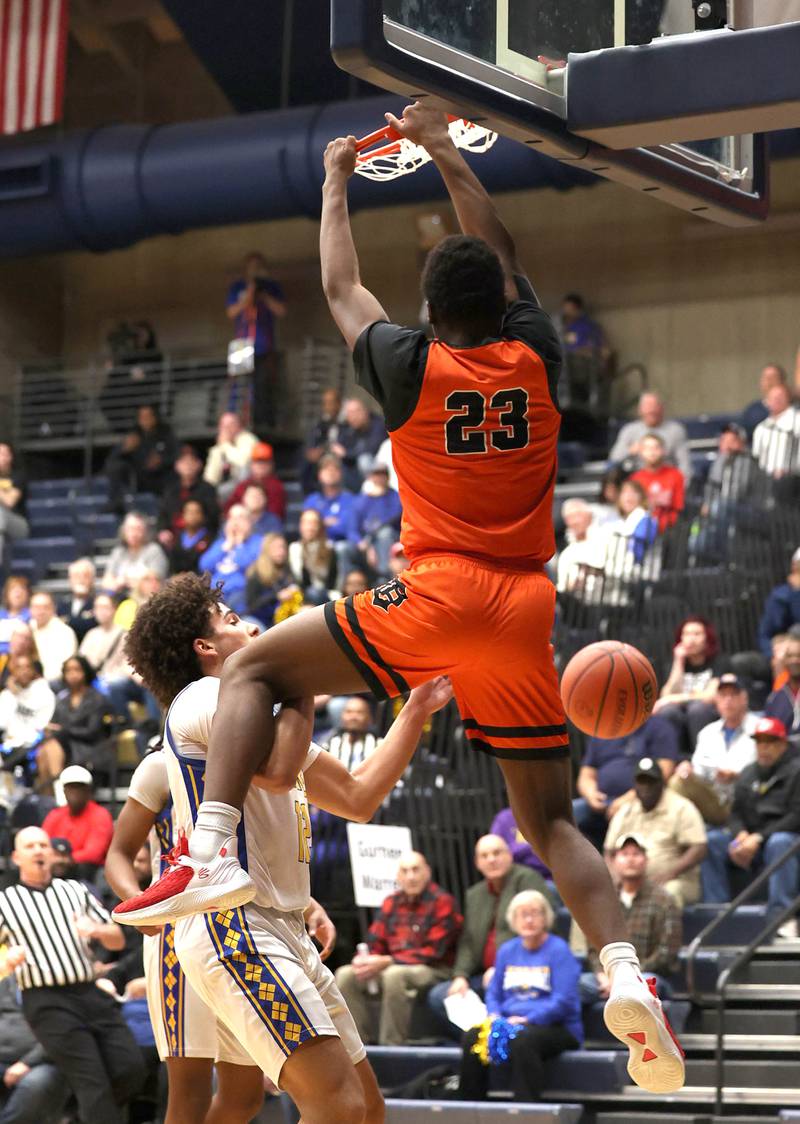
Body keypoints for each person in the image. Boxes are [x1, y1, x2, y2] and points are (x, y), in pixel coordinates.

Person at [118, 104, 685, 1094]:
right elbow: (496, 249)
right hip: (522, 610)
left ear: (428, 313)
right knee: (550, 820)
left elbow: (340, 283)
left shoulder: (406, 363)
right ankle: (624, 970)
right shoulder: (538, 357)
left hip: (433, 591)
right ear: (503, 300)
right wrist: (442, 155)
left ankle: (208, 849)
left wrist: (338, 174)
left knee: (254, 660)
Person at [112, 571, 455, 1123]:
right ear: (204, 647)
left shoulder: (266, 719)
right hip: (234, 926)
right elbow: (277, 772)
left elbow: (358, 796)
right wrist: (302, 675)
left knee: (366, 1109)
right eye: (229, 620)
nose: (248, 624)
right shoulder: (202, 697)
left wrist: (415, 710)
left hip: (281, 926)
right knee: (334, 1106)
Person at [104, 749, 272, 1124]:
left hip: (240, 933)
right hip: (177, 933)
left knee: (245, 1096)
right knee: (190, 1093)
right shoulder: (160, 765)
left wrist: (307, 903)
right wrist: (136, 900)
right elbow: (118, 852)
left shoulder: (252, 760)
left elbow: (259, 854)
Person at [0, 827, 145, 1123]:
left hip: (89, 991)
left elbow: (117, 939)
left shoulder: (75, 890)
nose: (39, 850)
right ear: (16, 857)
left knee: (131, 1067)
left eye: (43, 844)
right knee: (92, 1083)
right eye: (30, 846)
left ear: (52, 853)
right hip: (45, 1000)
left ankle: (82, 1115)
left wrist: (97, 930)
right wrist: (6, 960)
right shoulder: (5, 902)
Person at [458, 890, 582, 1103]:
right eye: (522, 914)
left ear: (546, 918)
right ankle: (471, 1107)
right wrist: (495, 1015)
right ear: (513, 920)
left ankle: (525, 1108)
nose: (529, 920)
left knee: (522, 1039)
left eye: (535, 913)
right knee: (472, 1036)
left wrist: (528, 1019)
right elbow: (494, 993)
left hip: (555, 1027)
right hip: (509, 1023)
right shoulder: (507, 950)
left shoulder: (559, 950)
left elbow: (564, 1000)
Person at [428, 835, 554, 1038]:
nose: (491, 859)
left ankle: (500, 1041)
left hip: (523, 971)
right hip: (484, 975)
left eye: (497, 853)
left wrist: (503, 967)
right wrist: (460, 976)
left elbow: (542, 927)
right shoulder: (474, 894)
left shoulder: (528, 880)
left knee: (496, 989)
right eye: (484, 856)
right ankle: (483, 1043)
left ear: (509, 855)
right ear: (478, 863)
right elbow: (468, 942)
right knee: (440, 996)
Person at [334, 851, 462, 1045]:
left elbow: (434, 951)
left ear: (427, 872)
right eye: (405, 871)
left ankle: (391, 1047)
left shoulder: (442, 902)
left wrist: (386, 961)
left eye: (416, 870)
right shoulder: (391, 902)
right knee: (345, 974)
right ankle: (357, 1048)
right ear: (398, 877)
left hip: (434, 968)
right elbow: (375, 942)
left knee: (394, 975)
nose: (411, 876)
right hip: (391, 964)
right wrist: (365, 960)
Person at [701, 717, 800, 939]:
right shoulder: (748, 774)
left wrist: (758, 838)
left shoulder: (796, 772)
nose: (764, 748)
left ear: (783, 744)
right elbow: (735, 814)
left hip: (784, 841)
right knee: (712, 841)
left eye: (770, 742)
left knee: (780, 842)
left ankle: (782, 918)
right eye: (760, 742)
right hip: (751, 840)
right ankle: (717, 914)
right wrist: (741, 835)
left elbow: (796, 816)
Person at [581, 835, 681, 1006]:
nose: (630, 859)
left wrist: (626, 978)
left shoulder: (664, 900)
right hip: (608, 978)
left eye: (636, 854)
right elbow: (593, 948)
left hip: (645, 975)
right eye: (625, 854)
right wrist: (603, 975)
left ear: (646, 860)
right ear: (613, 861)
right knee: (579, 984)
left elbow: (666, 953)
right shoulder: (605, 898)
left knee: (647, 983)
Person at [605, 758, 707, 908]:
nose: (646, 787)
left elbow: (699, 848)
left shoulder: (681, 807)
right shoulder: (626, 811)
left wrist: (670, 873)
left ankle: (662, 932)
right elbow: (609, 851)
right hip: (629, 881)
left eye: (651, 782)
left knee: (665, 894)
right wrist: (615, 876)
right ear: (635, 786)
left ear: (661, 783)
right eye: (641, 782)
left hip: (675, 881)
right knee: (594, 898)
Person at [574, 715, 679, 848]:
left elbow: (664, 772)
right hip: (601, 801)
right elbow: (586, 774)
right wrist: (591, 794)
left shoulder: (660, 727)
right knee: (568, 815)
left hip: (642, 800)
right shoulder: (602, 729)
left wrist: (628, 799)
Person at [669, 674, 759, 825]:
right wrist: (688, 770)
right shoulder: (707, 733)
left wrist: (736, 776)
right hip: (714, 798)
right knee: (678, 780)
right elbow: (699, 771)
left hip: (746, 800)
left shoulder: (760, 729)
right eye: (723, 695)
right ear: (716, 701)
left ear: (745, 698)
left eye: (733, 695)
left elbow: (766, 769)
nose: (728, 700)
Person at [226, 251, 287, 434]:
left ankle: (261, 422)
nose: (255, 269)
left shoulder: (271, 287)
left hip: (263, 344)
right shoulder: (238, 287)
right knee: (239, 384)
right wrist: (250, 294)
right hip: (242, 344)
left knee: (262, 385)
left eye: (258, 266)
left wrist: (263, 295)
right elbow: (231, 313)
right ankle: (235, 422)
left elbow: (281, 311)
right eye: (252, 266)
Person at [0, 970, 68, 1124]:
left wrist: (26, 1063)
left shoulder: (63, 985)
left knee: (34, 1085)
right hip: (3, 1057)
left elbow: (62, 1034)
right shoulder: (8, 982)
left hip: (44, 1062)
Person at [653, 616, 726, 754]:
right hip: (681, 715)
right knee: (668, 711)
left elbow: (710, 696)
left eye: (697, 634)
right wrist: (678, 661)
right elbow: (667, 694)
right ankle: (671, 760)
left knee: (697, 709)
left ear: (707, 639)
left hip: (707, 714)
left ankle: (703, 757)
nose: (691, 639)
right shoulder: (674, 665)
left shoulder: (718, 662)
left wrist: (673, 699)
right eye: (686, 634)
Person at [38, 655, 113, 777]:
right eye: (68, 670)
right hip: (64, 745)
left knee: (51, 747)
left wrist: (63, 730)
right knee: (44, 749)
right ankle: (50, 793)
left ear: (85, 671)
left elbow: (92, 732)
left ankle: (60, 789)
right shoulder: (62, 699)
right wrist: (49, 730)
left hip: (88, 747)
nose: (72, 674)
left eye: (77, 669)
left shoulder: (97, 698)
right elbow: (54, 724)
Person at [42, 765, 114, 880]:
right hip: (56, 868)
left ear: (88, 791)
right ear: (64, 791)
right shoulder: (56, 815)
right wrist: (56, 859)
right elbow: (43, 843)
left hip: (86, 872)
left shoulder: (100, 815)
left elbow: (93, 854)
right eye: (70, 787)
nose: (74, 792)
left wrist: (64, 859)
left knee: (84, 867)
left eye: (79, 788)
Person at [105, 404, 178, 513]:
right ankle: (115, 504)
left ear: (155, 417)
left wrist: (162, 460)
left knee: (174, 477)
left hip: (161, 478)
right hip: (139, 478)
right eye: (142, 417)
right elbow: (112, 459)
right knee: (116, 466)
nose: (146, 420)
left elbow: (177, 455)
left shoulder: (166, 433)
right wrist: (124, 449)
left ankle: (168, 511)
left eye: (148, 416)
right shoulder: (134, 435)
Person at [608, 392, 691, 479]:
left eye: (654, 406)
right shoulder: (629, 430)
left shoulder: (676, 430)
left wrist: (681, 487)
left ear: (662, 408)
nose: (651, 410)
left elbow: (684, 464)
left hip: (668, 481)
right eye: (647, 406)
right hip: (637, 482)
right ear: (639, 410)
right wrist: (631, 450)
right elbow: (614, 458)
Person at [199, 505, 263, 615]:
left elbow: (248, 565)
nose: (235, 523)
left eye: (240, 518)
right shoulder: (222, 543)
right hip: (215, 591)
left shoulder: (258, 542)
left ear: (250, 522)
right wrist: (227, 545)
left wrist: (239, 544)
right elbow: (204, 566)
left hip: (240, 593)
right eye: (232, 518)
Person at [156, 444, 220, 553]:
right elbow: (163, 515)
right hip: (174, 537)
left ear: (199, 464)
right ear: (177, 466)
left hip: (201, 535)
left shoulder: (207, 489)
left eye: (191, 462)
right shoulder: (171, 490)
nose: (188, 466)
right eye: (184, 462)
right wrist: (163, 531)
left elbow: (213, 517)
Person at [346, 462, 403, 578]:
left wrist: (380, 496)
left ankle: (385, 576)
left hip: (392, 540)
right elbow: (351, 529)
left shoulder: (396, 497)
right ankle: (346, 586)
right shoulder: (361, 500)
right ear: (371, 477)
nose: (380, 477)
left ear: (388, 476)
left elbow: (392, 518)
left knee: (384, 533)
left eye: (383, 473)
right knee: (343, 548)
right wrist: (361, 543)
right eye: (377, 474)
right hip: (366, 543)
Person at [0, 654, 55, 773]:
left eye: (27, 667)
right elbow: (2, 724)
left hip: (32, 746)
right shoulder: (7, 695)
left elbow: (43, 726)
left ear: (33, 670)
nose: (23, 671)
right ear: (12, 671)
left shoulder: (44, 693)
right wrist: (14, 695)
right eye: (19, 667)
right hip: (8, 745)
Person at [101, 512, 168, 596]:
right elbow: (106, 581)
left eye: (138, 529)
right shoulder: (118, 552)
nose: (134, 533)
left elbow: (153, 584)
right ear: (123, 530)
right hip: (120, 597)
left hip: (146, 599)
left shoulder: (154, 550)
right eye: (130, 528)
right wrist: (116, 584)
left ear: (145, 531)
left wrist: (125, 581)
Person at [630, 433, 685, 531]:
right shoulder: (635, 478)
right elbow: (632, 509)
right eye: (647, 448)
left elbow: (679, 507)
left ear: (663, 451)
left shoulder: (675, 475)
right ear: (641, 451)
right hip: (641, 529)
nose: (652, 452)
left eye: (656, 448)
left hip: (670, 530)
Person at [244, 533, 300, 627]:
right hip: (259, 619)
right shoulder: (256, 573)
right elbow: (252, 606)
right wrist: (276, 597)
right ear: (267, 550)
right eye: (276, 548)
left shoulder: (286, 569)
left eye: (283, 547)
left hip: (282, 619)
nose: (281, 551)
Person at [223, 441, 286, 522]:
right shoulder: (243, 485)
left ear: (271, 465)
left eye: (265, 462)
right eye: (257, 462)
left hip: (265, 527)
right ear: (252, 464)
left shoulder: (276, 487)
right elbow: (229, 509)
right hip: (241, 523)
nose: (261, 465)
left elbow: (276, 515)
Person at [333, 398, 387, 491]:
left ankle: (370, 493)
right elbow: (338, 447)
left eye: (357, 411)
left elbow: (371, 449)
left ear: (365, 411)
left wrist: (347, 454)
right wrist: (345, 455)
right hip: (355, 470)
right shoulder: (347, 428)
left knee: (364, 460)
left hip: (379, 468)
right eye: (349, 413)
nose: (354, 416)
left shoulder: (378, 424)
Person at [203, 411, 259, 497]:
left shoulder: (248, 439)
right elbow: (210, 478)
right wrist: (220, 449)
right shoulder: (219, 446)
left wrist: (225, 445)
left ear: (239, 426)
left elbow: (243, 463)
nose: (227, 428)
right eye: (223, 425)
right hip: (226, 487)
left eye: (231, 424)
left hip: (248, 485)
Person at [758, 549, 800, 660]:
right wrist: (773, 654)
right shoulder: (781, 595)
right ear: (795, 567)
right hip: (787, 654)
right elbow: (765, 635)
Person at [752, 383, 800, 479]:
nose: (776, 400)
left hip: (793, 479)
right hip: (766, 480)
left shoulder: (797, 421)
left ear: (788, 399)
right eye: (772, 398)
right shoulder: (761, 428)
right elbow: (757, 457)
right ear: (766, 401)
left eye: (780, 397)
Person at [489, 807, 551, 879]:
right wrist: (530, 847)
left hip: (549, 878)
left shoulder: (545, 814)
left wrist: (516, 849)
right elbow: (495, 849)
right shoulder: (504, 818)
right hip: (514, 878)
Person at [28, 592, 77, 682]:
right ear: (30, 610)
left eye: (45, 607)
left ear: (53, 609)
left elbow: (65, 666)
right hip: (29, 680)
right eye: (36, 607)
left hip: (55, 681)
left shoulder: (64, 632)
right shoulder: (27, 629)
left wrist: (41, 681)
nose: (41, 611)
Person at [289, 510, 338, 597]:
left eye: (314, 523)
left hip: (324, 593)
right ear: (300, 526)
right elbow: (297, 577)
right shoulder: (294, 548)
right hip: (302, 594)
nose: (309, 528)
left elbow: (329, 578)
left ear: (320, 526)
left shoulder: (328, 546)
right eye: (306, 523)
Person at [303, 386, 344, 491]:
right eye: (325, 403)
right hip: (324, 457)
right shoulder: (321, 424)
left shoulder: (346, 422)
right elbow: (313, 444)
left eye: (331, 402)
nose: (328, 407)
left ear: (339, 404)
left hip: (342, 458)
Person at [323, 696, 379, 770]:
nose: (353, 717)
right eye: (349, 712)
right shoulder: (330, 743)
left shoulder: (379, 745)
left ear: (369, 718)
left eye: (359, 712)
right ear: (342, 716)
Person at [764, 630, 800, 744]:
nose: (794, 660)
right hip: (785, 757)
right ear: (783, 660)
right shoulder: (774, 699)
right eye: (789, 656)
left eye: (799, 655)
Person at [165, 498, 215, 575]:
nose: (192, 515)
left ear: (203, 516)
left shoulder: (210, 539)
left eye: (196, 512)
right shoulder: (176, 537)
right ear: (183, 515)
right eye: (189, 512)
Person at [739, 362, 788, 437]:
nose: (769, 382)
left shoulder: (795, 411)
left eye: (773, 377)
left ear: (782, 382)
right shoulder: (753, 410)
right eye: (766, 378)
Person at [57, 558, 97, 643]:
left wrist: (67, 620)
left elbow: (92, 625)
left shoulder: (98, 603)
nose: (81, 580)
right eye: (76, 576)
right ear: (70, 579)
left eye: (85, 576)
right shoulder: (62, 604)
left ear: (92, 580)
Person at [0, 576, 31, 654]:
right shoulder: (1, 614)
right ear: (6, 594)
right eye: (13, 589)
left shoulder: (32, 615)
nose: (18, 593)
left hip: (20, 658)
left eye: (22, 589)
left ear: (28, 594)